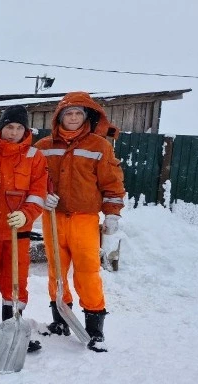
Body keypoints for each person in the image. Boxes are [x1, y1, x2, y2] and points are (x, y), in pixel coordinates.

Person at [35, 92, 125, 352]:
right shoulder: (44, 146)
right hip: (53, 216)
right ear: (59, 117)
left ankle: (95, 328)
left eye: (78, 113)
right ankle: (61, 320)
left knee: (87, 271)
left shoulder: (99, 146)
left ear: (86, 116)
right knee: (56, 270)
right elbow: (35, 179)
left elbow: (112, 182)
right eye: (68, 113)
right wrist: (43, 196)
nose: (73, 118)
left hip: (84, 218)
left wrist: (112, 212)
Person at [0, 105, 47, 352]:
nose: (13, 132)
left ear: (25, 130)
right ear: (1, 128)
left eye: (18, 128)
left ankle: (12, 328)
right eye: (9, 127)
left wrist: (25, 214)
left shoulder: (35, 156)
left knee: (15, 282)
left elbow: (38, 193)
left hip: (18, 233)